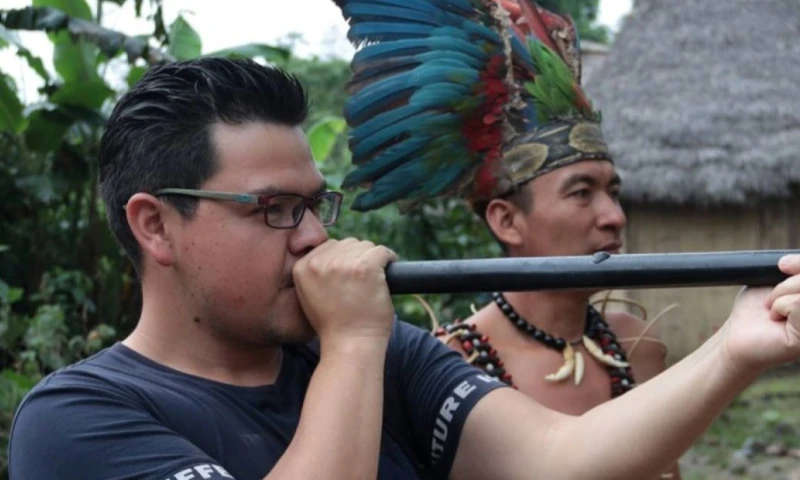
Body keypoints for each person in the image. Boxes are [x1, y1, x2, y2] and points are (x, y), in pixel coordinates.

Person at [7, 35, 800, 480]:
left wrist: (737, 347)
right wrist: (352, 345)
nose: (314, 236)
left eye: (316, 206)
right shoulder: (77, 421)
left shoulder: (395, 361)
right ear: (155, 226)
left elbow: (563, 459)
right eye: (276, 211)